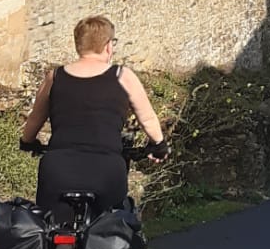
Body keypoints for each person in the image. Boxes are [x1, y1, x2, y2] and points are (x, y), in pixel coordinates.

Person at [19, 15, 166, 214]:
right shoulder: (123, 76)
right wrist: (159, 145)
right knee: (111, 231)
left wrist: (28, 142)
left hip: (58, 169)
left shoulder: (54, 77)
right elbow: (147, 119)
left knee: (49, 226)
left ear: (78, 45)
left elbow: (35, 118)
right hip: (106, 170)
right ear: (108, 47)